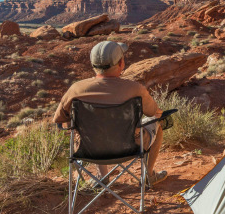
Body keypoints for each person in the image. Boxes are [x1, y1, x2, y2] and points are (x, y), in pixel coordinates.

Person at [53, 40, 167, 186]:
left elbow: (59, 119)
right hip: (131, 147)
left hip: (89, 149)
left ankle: (102, 177)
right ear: (121, 63)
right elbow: (153, 112)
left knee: (98, 130)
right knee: (156, 122)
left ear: (93, 65)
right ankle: (148, 176)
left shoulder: (76, 89)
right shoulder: (134, 89)